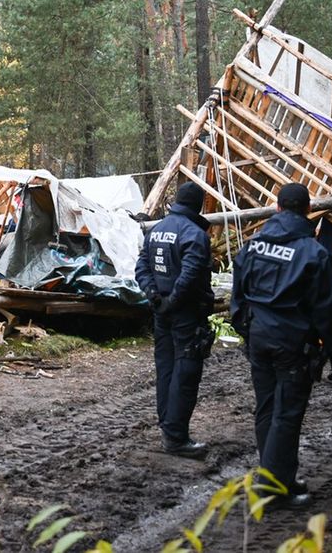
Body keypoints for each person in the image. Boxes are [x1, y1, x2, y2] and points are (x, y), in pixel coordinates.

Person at [231, 183, 332, 507]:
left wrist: (246, 330)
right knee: (287, 413)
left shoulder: (252, 246)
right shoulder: (312, 252)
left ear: (277, 209)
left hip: (259, 337)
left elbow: (237, 295)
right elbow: (326, 308)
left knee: (267, 408)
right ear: (308, 210)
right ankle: (274, 488)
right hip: (291, 343)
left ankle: (279, 478)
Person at [136, 181, 216, 459]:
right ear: (198, 205)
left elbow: (142, 266)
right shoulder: (194, 234)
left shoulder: (157, 230)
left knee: (166, 369)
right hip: (186, 313)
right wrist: (173, 300)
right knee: (186, 371)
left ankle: (168, 427)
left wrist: (154, 296)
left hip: (162, 311)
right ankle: (176, 435)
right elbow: (192, 274)